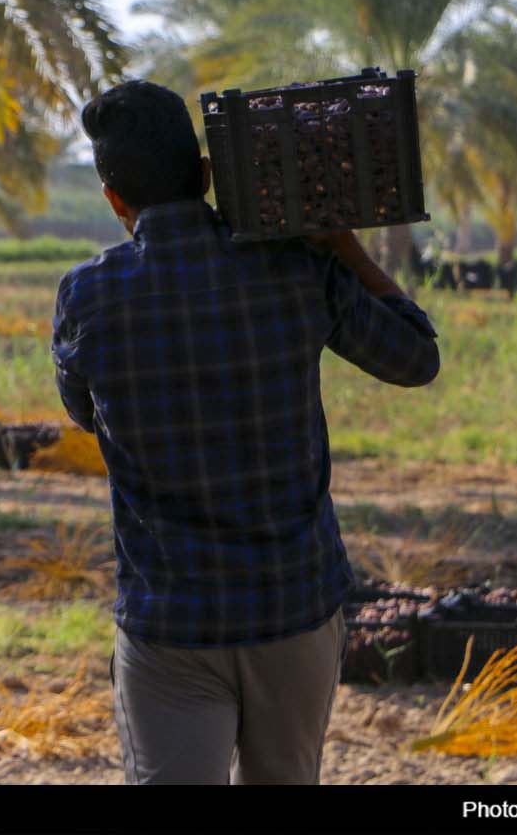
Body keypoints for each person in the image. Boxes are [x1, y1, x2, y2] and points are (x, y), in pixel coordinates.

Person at [52, 80, 440, 785]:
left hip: (171, 625)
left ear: (114, 198)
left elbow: (86, 414)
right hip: (293, 612)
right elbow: (417, 360)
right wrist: (346, 249)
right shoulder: (295, 268)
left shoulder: (86, 298)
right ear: (205, 175)